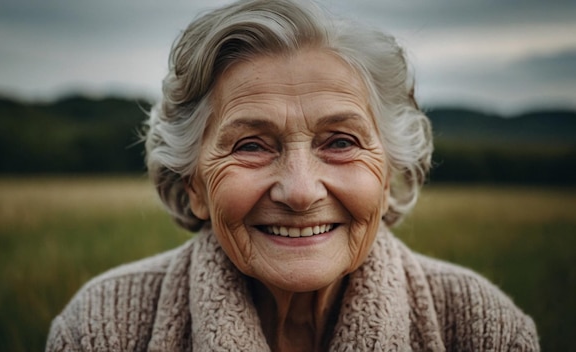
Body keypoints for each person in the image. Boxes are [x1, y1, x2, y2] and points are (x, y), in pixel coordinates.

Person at [46, 0, 539, 351]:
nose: (301, 191)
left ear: (388, 174)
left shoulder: (480, 327)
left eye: (341, 142)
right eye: (251, 146)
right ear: (193, 185)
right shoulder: (102, 327)